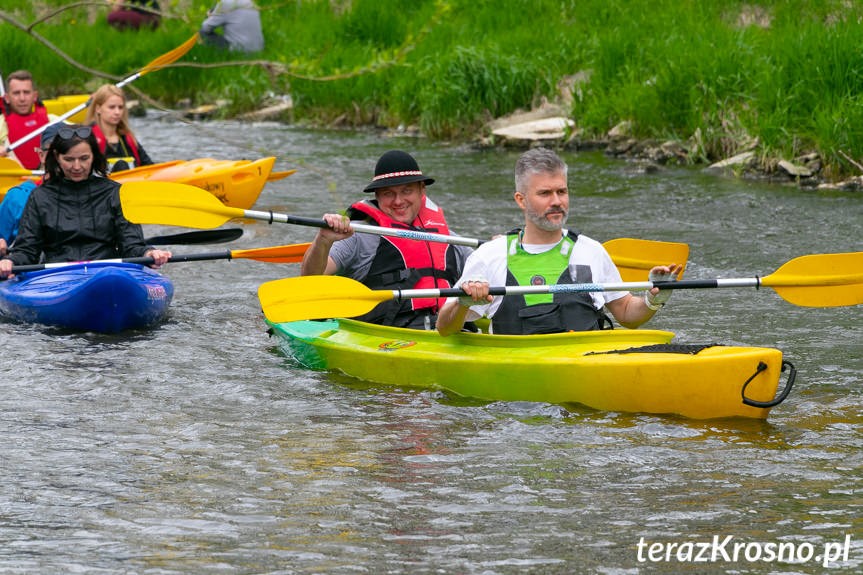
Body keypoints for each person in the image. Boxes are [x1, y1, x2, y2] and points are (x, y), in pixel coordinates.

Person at [436, 148, 682, 336]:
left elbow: (627, 315)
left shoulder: (591, 251)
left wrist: (654, 299)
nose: (557, 201)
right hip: (514, 390)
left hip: (584, 366)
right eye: (545, 193)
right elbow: (445, 328)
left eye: (561, 191)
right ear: (521, 200)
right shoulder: (489, 256)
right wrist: (461, 302)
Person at [301, 150, 472, 330]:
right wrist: (323, 240)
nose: (398, 201)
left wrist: (499, 246)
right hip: (382, 334)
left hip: (448, 330)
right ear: (377, 196)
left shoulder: (447, 238)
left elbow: (488, 268)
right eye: (388, 193)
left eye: (407, 190)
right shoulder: (358, 234)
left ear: (422, 190)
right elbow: (310, 280)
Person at [0, 124, 171, 279]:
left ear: (94, 157)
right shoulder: (40, 197)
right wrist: (11, 261)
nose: (76, 166)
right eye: (68, 159)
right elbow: (27, 251)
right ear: (56, 158)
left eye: (84, 158)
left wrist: (149, 252)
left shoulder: (114, 193)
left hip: (108, 275)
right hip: (55, 277)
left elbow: (132, 245)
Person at [0, 122, 63, 257]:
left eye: (67, 153)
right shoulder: (18, 197)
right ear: (41, 155)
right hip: (30, 272)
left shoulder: (97, 195)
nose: (61, 160)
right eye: (53, 153)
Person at [84, 84, 154, 173]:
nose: (117, 112)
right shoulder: (87, 138)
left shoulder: (129, 139)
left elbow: (150, 167)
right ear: (98, 108)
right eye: (112, 107)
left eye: (120, 107)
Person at [0, 70, 59, 170]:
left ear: (35, 96)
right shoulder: (1, 125)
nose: (22, 98)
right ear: (7, 98)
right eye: (16, 93)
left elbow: (86, 134)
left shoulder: (53, 121)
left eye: (26, 92)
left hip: (48, 181)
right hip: (15, 183)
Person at [199, 0, 264, 54]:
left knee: (202, 33)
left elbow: (205, 28)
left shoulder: (225, 3)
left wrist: (209, 17)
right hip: (258, 51)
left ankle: (213, 57)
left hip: (239, 52)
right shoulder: (251, 3)